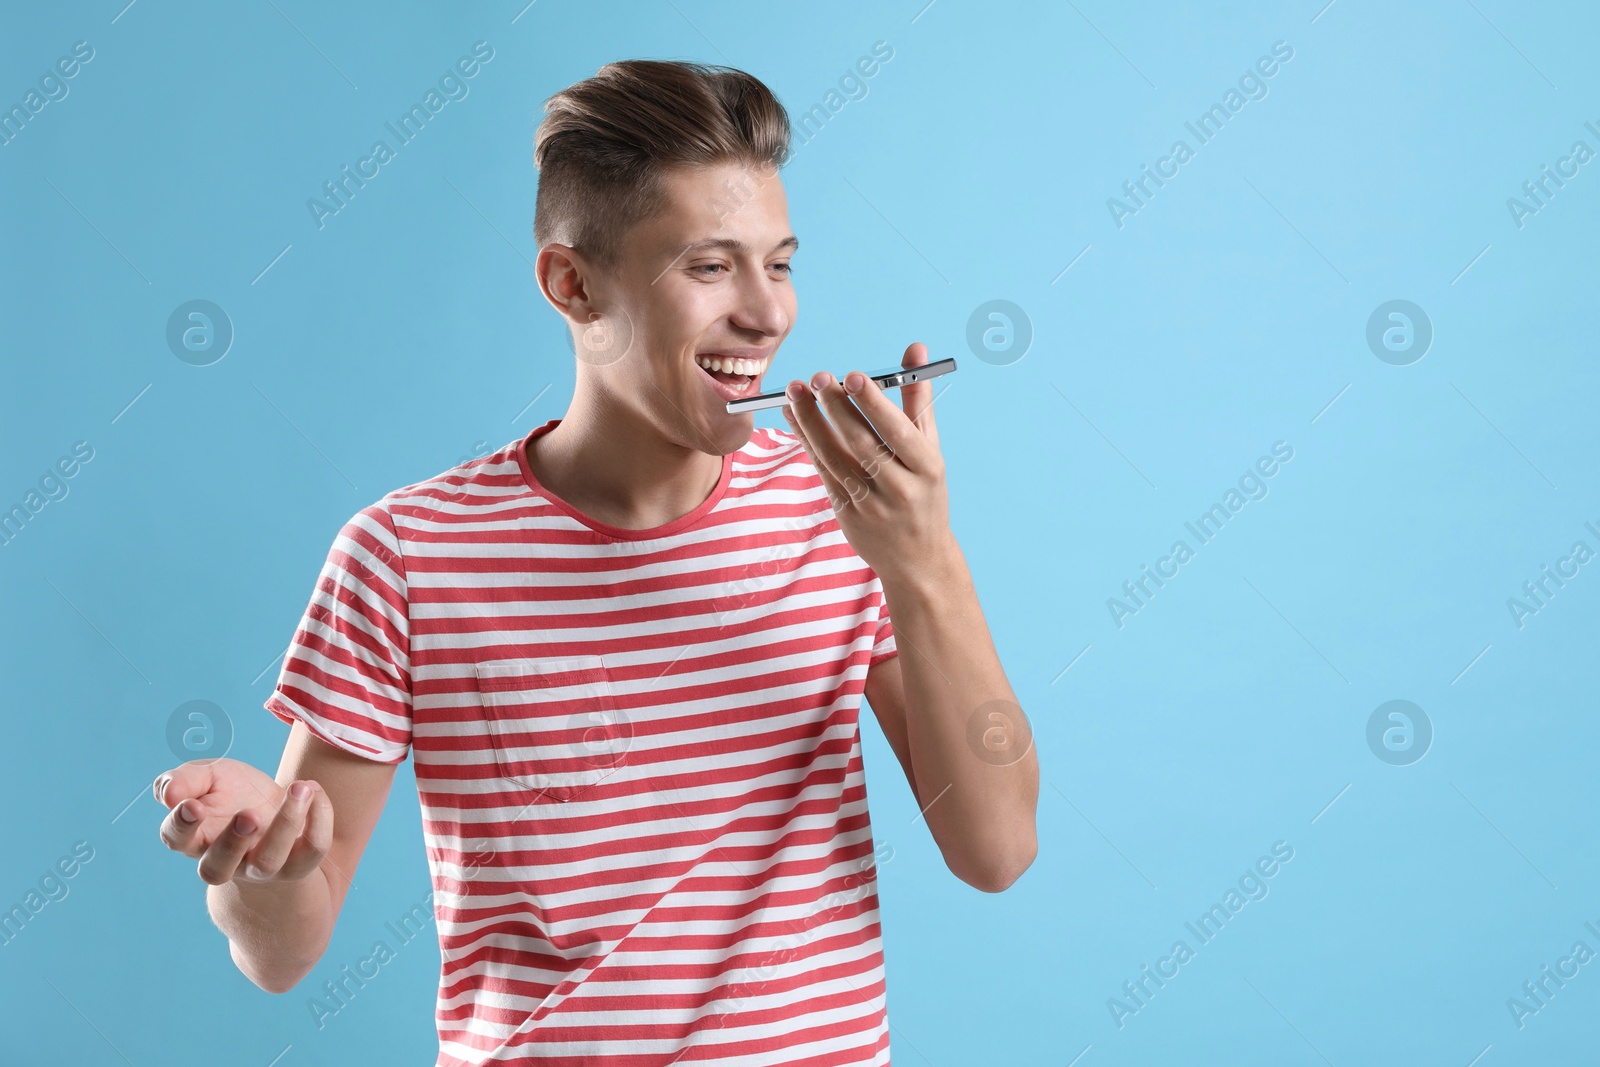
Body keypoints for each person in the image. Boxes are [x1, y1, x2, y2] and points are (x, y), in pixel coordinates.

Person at [153, 59, 1038, 1066]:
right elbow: (281, 951)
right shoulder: (404, 555)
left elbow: (997, 848)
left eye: (779, 262)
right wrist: (260, 872)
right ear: (572, 283)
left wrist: (923, 558)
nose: (768, 314)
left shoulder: (839, 512)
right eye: (710, 267)